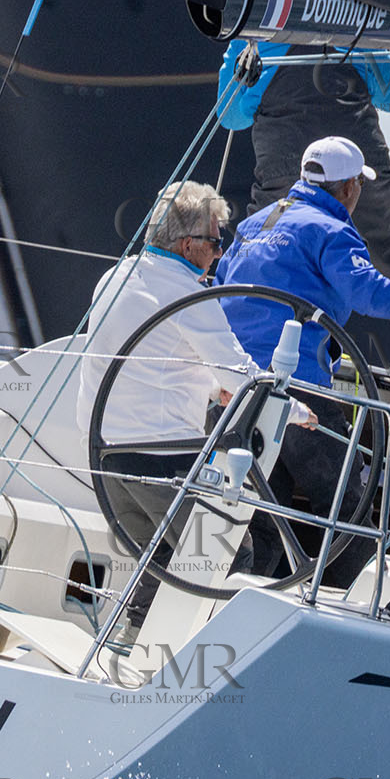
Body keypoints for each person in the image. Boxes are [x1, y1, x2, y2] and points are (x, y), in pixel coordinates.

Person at [216, 135, 390, 586]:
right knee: (349, 510)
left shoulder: (256, 223)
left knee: (260, 516)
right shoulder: (331, 231)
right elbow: (371, 293)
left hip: (236, 387)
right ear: (350, 188)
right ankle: (337, 611)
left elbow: (219, 290)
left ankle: (226, 609)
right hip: (298, 391)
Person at [77, 180, 312, 635]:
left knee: (164, 554)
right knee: (226, 549)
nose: (219, 254)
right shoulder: (189, 295)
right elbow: (242, 374)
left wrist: (211, 389)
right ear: (188, 245)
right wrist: (298, 414)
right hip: (156, 458)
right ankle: (191, 657)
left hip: (103, 456)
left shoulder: (117, 275)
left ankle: (134, 640)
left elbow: (154, 363)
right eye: (215, 242)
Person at [219, 41, 390, 359]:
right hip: (360, 170)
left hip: (287, 172)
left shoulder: (258, 26)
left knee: (261, 262)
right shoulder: (352, 16)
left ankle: (242, 366)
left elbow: (230, 116)